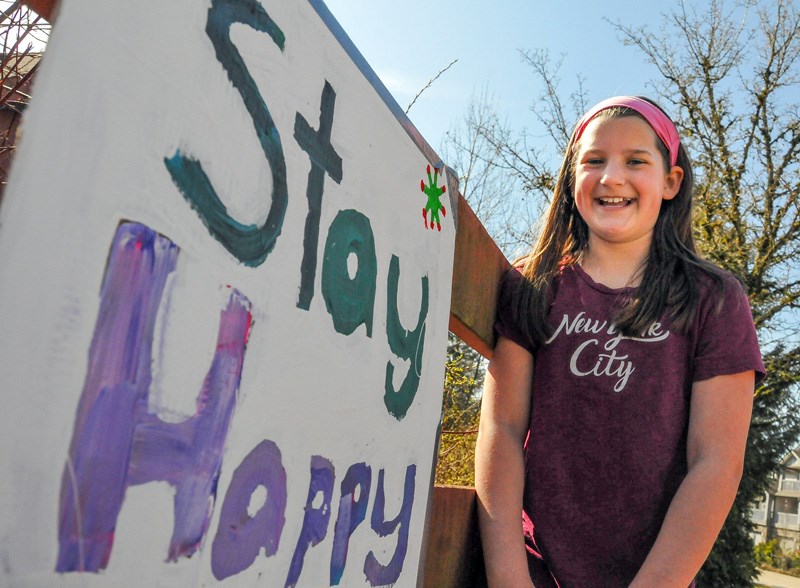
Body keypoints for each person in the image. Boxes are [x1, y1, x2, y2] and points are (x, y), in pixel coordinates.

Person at [474, 96, 765, 587]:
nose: (612, 177)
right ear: (571, 178)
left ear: (671, 181)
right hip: (533, 569)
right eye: (593, 160)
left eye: (636, 161)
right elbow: (501, 429)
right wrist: (511, 581)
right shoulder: (534, 285)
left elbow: (714, 462)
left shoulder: (714, 299)